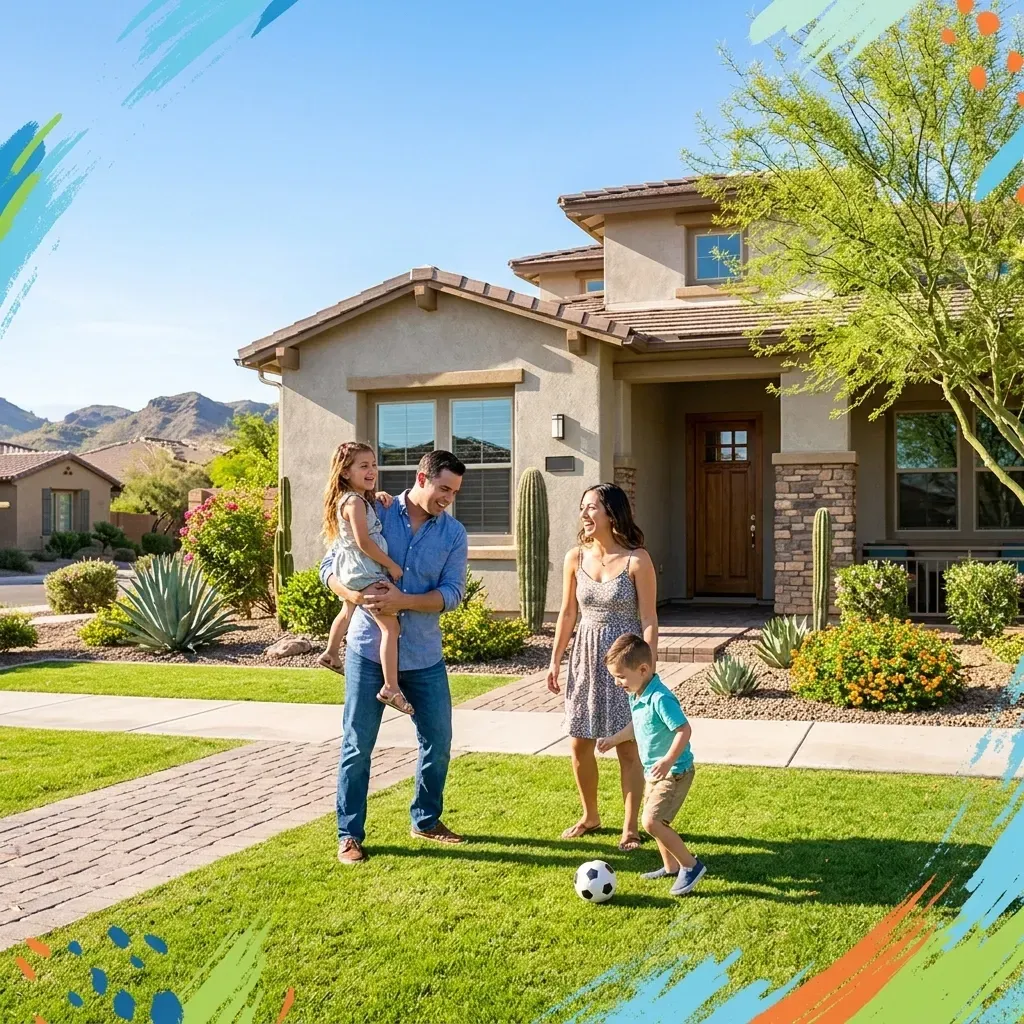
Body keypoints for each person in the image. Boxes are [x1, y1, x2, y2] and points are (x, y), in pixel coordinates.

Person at [320, 450, 469, 865]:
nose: (448, 498)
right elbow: (330, 563)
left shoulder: (453, 534)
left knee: (438, 742)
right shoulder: (376, 508)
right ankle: (349, 835)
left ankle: (426, 819)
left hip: (424, 656)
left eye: (454, 492)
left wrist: (405, 600)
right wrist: (350, 595)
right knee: (357, 746)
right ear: (422, 478)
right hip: (368, 650)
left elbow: (453, 593)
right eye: (443, 488)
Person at [546, 483, 658, 852]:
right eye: (583, 508)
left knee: (627, 747)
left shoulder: (637, 560)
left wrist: (647, 669)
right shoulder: (575, 558)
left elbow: (649, 619)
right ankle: (590, 815)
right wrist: (555, 659)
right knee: (580, 744)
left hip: (624, 664)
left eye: (591, 507)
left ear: (611, 513)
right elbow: (567, 613)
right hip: (585, 657)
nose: (584, 514)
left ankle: (630, 828)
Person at [598, 634, 706, 895]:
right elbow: (638, 726)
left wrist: (668, 761)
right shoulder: (638, 694)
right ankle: (670, 867)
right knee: (656, 821)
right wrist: (614, 740)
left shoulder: (660, 698)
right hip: (654, 772)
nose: (617, 682)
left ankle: (691, 866)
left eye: (621, 676)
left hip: (675, 772)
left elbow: (683, 729)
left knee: (651, 822)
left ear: (643, 669)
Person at [317, 442, 411, 715]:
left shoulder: (354, 499)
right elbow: (364, 542)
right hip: (364, 570)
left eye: (373, 464)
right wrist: (391, 565)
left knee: (347, 609)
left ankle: (331, 652)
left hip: (351, 570)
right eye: (364, 466)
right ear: (345, 472)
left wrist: (374, 495)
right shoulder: (355, 502)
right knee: (390, 629)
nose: (372, 470)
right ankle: (391, 688)